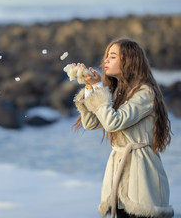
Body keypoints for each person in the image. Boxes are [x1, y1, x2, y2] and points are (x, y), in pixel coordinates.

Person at [72, 38, 174, 218]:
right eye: (106, 57)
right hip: (117, 174)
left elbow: (113, 122)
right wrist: (90, 88)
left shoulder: (144, 92)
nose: (106, 61)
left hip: (142, 174)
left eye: (112, 56)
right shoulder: (116, 91)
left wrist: (98, 87)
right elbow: (90, 123)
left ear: (129, 60)